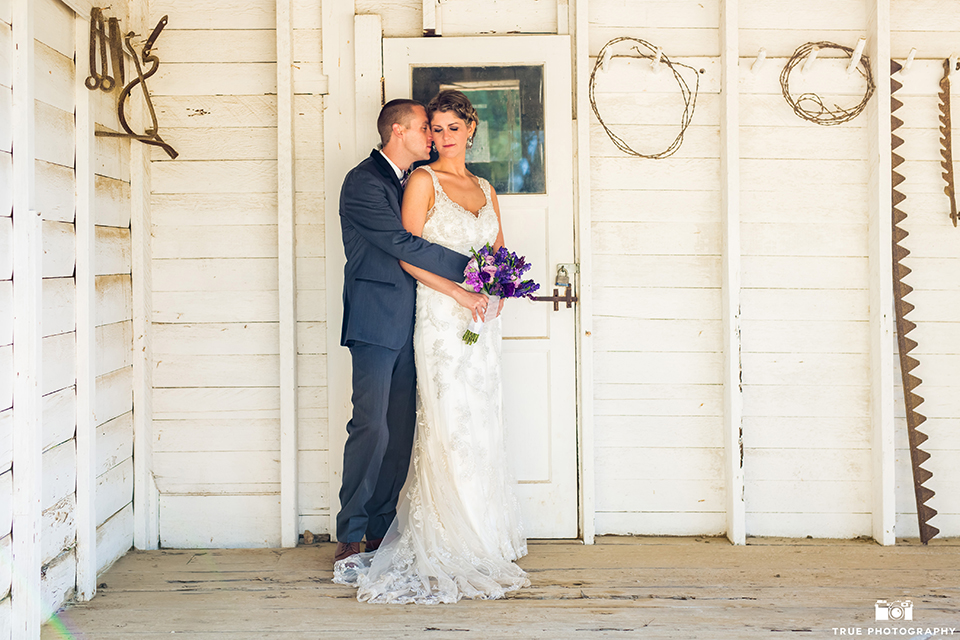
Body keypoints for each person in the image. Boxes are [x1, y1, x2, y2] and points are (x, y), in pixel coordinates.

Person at [336, 90, 530, 604]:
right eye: (429, 127)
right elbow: (403, 245)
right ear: (402, 131)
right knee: (373, 425)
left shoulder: (465, 184)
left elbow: (495, 245)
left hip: (445, 318)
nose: (435, 136)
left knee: (409, 430)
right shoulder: (366, 182)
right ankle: (351, 534)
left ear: (469, 130)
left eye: (445, 128)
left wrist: (499, 283)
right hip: (387, 320)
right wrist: (472, 278)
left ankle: (386, 529)